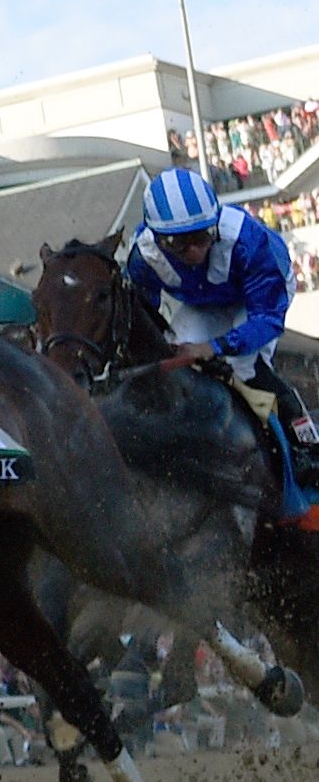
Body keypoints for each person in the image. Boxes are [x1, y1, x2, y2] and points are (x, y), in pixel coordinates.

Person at [129, 165, 319, 526]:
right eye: (178, 243)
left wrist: (215, 347)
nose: (194, 250)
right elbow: (144, 315)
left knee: (245, 364)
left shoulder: (251, 244)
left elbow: (267, 320)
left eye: (202, 236)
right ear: (158, 238)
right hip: (202, 301)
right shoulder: (143, 257)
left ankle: (305, 448)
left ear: (214, 223)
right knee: (172, 355)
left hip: (257, 301)